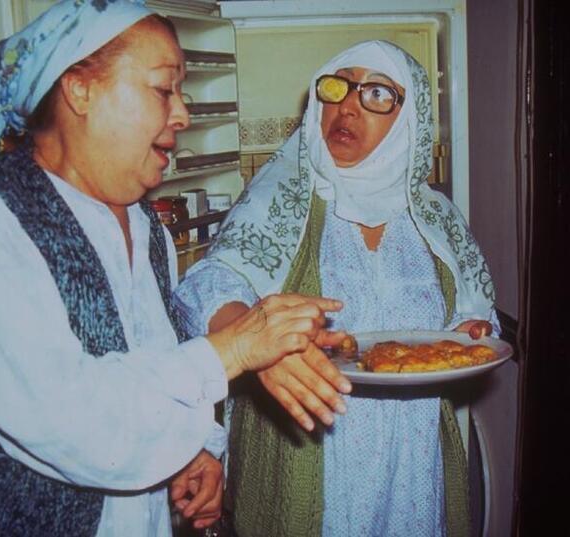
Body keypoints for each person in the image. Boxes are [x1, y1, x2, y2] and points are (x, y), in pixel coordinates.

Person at [0, 1, 350, 535]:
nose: (183, 115)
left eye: (182, 93)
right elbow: (67, 419)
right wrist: (233, 348)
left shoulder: (144, 225)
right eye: (163, 89)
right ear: (80, 91)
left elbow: (149, 362)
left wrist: (192, 449)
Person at [175, 40, 499, 537]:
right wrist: (252, 339)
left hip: (412, 458)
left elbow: (473, 317)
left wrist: (470, 329)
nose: (347, 106)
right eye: (337, 88)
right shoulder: (281, 201)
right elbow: (205, 285)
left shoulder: (436, 218)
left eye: (377, 94)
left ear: (410, 117)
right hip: (307, 447)